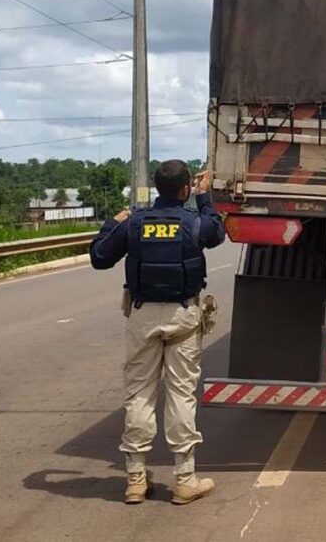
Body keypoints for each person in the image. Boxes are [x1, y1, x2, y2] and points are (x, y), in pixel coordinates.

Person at [89, 160, 226, 505]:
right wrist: (204, 196)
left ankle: (135, 480)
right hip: (182, 316)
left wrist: (112, 222)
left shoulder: (135, 223)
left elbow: (100, 257)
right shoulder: (194, 222)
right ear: (184, 190)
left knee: (139, 395)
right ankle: (184, 480)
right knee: (180, 395)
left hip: (142, 317)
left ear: (156, 187)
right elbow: (217, 231)